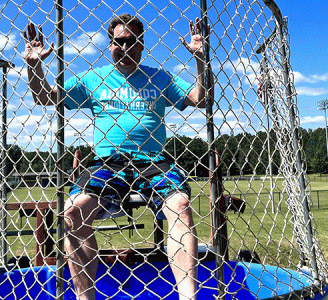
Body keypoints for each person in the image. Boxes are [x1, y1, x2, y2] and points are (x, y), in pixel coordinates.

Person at [24, 13, 214, 300]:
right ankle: (85, 296)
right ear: (109, 44)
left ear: (142, 45)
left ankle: (188, 296)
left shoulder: (159, 76)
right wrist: (35, 67)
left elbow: (202, 98)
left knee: (180, 203)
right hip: (107, 163)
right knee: (73, 211)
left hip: (153, 160)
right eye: (119, 42)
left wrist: (201, 58)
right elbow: (45, 97)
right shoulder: (94, 78)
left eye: (133, 42)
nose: (126, 48)